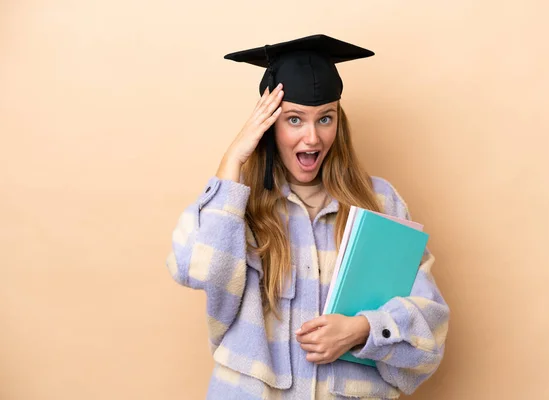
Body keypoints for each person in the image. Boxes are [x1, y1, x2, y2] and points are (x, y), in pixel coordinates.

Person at [166, 34, 449, 399]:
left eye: (325, 119)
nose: (312, 138)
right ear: (268, 127)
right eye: (294, 120)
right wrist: (232, 162)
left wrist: (362, 329)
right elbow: (197, 268)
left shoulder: (379, 202)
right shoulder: (237, 203)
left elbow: (430, 327)